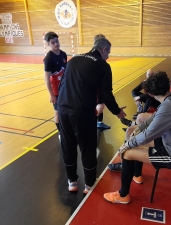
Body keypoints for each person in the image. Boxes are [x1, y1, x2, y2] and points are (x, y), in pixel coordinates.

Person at [103, 71, 171, 204]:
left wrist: (128, 144)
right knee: (133, 135)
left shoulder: (168, 106)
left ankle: (123, 195)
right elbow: (153, 118)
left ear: (150, 94)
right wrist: (137, 129)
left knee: (127, 153)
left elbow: (148, 136)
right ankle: (136, 175)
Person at [57, 37, 126, 194]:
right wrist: (118, 112)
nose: (108, 56)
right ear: (103, 50)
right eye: (108, 52)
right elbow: (106, 93)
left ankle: (72, 182)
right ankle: (89, 185)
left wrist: (59, 107)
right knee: (87, 146)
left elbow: (63, 84)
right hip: (82, 112)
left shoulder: (74, 60)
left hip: (63, 109)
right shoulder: (103, 66)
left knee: (68, 147)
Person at [43, 32, 67, 139]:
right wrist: (51, 95)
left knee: (66, 111)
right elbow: (46, 78)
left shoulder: (63, 54)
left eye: (57, 41)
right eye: (53, 43)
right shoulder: (48, 58)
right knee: (57, 112)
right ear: (49, 44)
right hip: (56, 91)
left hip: (65, 89)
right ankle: (60, 133)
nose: (56, 44)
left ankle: (67, 130)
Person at [93, 34, 111, 130]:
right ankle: (94, 122)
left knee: (100, 105)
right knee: (99, 107)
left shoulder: (102, 64)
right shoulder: (98, 63)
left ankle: (99, 122)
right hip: (94, 93)